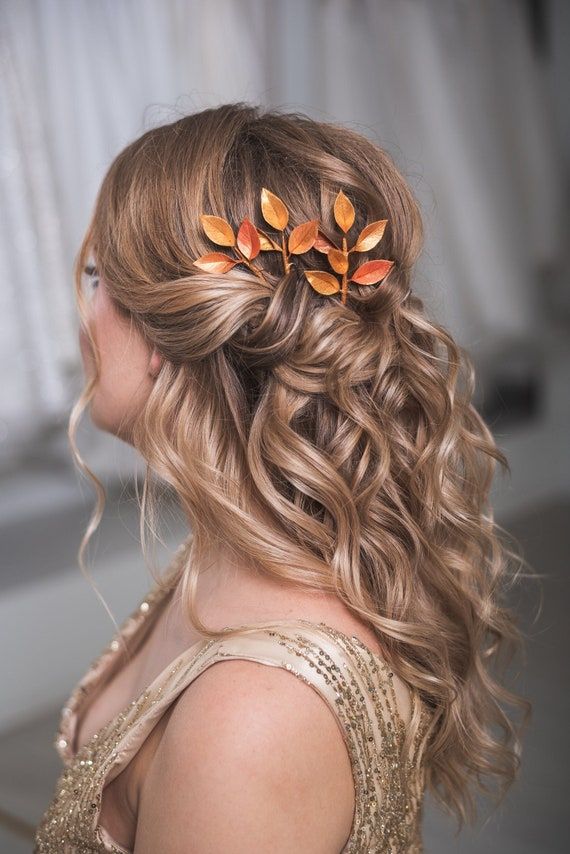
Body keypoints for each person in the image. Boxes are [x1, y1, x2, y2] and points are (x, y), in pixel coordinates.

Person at [34, 102, 530, 853]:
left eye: (98, 277)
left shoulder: (250, 720)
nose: (82, 317)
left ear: (176, 325)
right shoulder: (242, 552)